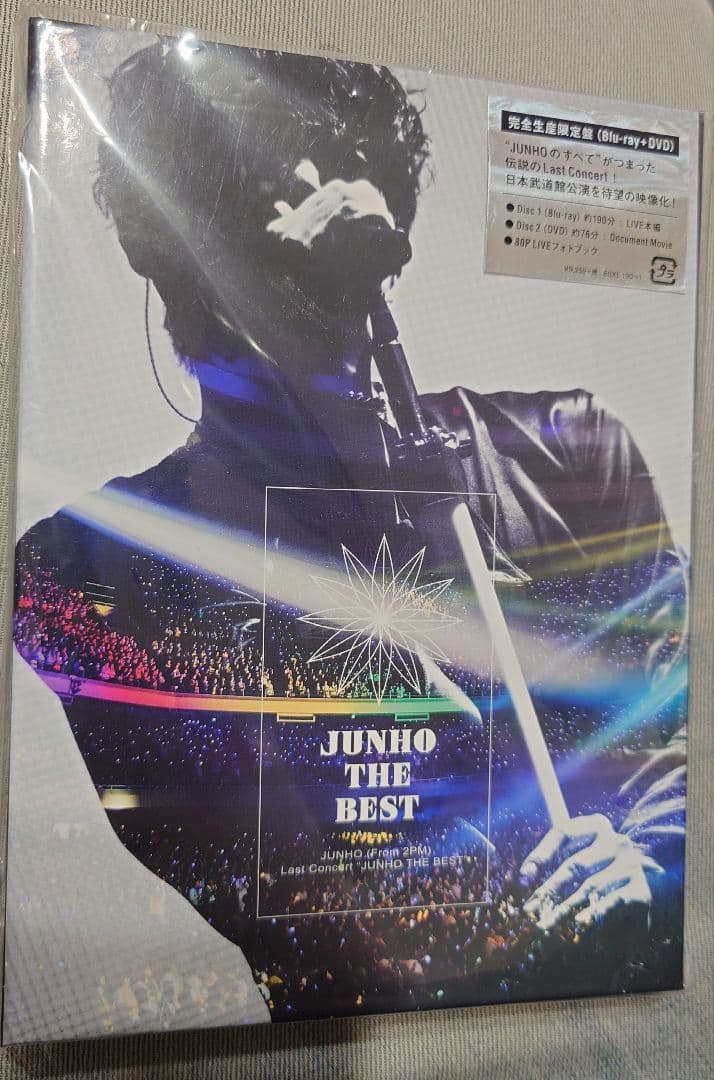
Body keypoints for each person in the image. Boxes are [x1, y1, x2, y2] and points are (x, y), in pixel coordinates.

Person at [15, 37, 687, 1011]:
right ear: (167, 249)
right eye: (259, 165)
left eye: (345, 156)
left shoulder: (571, 455)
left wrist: (643, 868)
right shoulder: (89, 568)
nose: (321, 185)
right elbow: (275, 898)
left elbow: (669, 753)